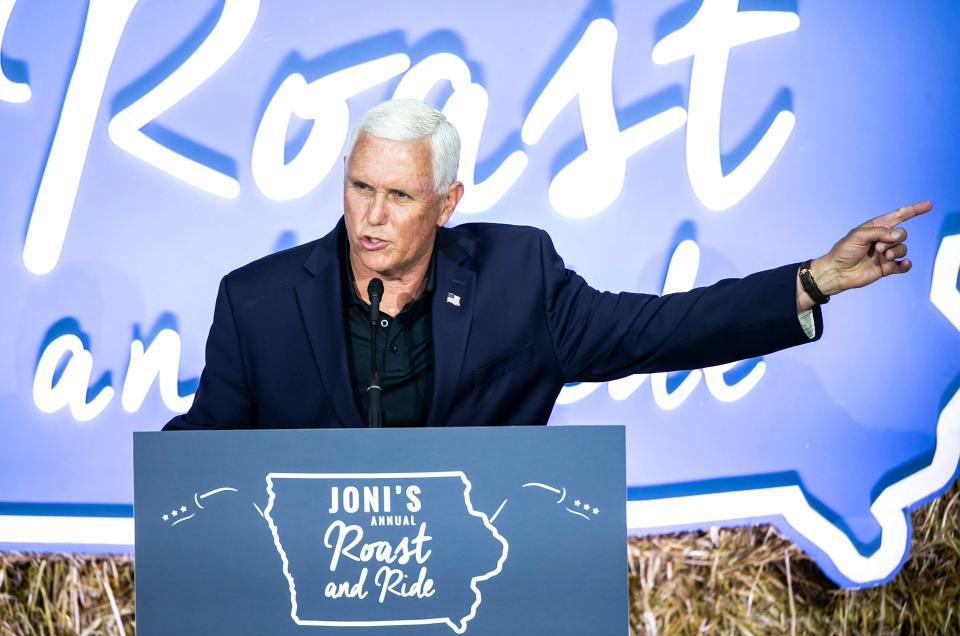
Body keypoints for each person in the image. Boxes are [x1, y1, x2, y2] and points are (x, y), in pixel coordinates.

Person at [162, 99, 931, 431]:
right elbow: (207, 453)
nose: (371, 215)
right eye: (360, 187)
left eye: (399, 195)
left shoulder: (515, 277)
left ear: (447, 200)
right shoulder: (257, 302)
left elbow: (657, 331)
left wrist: (815, 279)